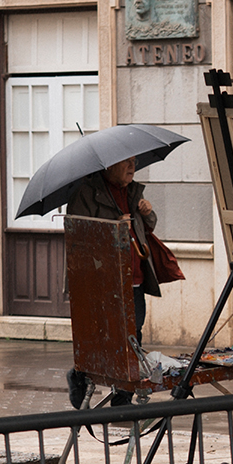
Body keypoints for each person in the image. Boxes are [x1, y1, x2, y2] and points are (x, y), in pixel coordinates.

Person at [64, 156, 175, 408]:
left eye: (134, 161)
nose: (132, 166)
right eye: (125, 161)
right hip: (101, 280)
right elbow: (79, 235)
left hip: (133, 277)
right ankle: (79, 374)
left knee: (134, 337)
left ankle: (123, 395)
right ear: (109, 165)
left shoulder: (133, 191)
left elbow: (147, 228)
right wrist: (113, 228)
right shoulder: (85, 193)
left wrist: (147, 214)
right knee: (101, 336)